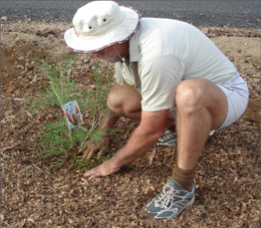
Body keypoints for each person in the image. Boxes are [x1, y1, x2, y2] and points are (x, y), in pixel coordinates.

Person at [63, 1, 249, 219]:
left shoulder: (157, 52)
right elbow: (119, 86)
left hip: (224, 95)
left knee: (190, 94)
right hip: (180, 94)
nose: (93, 54)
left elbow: (152, 130)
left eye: (98, 47)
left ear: (117, 38)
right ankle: (183, 130)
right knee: (118, 98)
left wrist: (113, 163)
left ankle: (182, 187)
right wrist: (103, 131)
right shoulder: (124, 45)